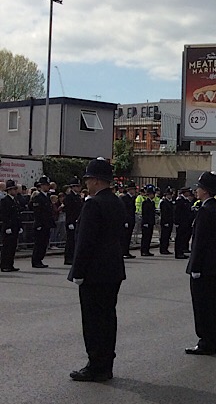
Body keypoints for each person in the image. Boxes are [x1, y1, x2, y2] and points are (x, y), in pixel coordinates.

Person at [68, 157, 127, 382]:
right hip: (112, 269)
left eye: (88, 179)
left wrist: (78, 272)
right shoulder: (116, 201)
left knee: (93, 321)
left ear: (95, 181)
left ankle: (96, 365)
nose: (87, 184)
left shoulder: (93, 204)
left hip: (94, 272)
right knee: (108, 318)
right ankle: (106, 363)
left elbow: (85, 241)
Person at [185, 172, 216, 356]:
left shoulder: (204, 210)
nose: (196, 190)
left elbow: (199, 242)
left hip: (203, 267)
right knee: (212, 306)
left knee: (202, 306)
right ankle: (211, 340)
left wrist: (194, 267)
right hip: (215, 265)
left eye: (199, 187)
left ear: (206, 191)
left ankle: (205, 342)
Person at [30, 175, 55, 268]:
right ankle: (36, 261)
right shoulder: (38, 197)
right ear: (41, 186)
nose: (47, 187)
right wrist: (39, 224)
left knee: (44, 243)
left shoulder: (47, 196)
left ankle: (40, 259)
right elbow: (37, 212)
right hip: (40, 224)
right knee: (39, 244)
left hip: (46, 224)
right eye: (45, 185)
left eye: (48, 185)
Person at [0, 180, 22, 272]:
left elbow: (17, 215)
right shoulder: (4, 201)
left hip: (15, 227)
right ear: (9, 190)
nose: (15, 191)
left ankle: (10, 264)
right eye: (13, 189)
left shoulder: (15, 200)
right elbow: (4, 215)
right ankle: (4, 265)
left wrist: (19, 226)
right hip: (8, 227)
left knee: (13, 247)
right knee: (7, 248)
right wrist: (7, 227)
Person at [64, 177, 83, 265]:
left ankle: (73, 257)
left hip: (77, 221)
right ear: (73, 187)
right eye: (77, 186)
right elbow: (69, 211)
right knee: (70, 241)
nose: (79, 188)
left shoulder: (77, 196)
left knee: (75, 241)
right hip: (71, 221)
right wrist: (70, 222)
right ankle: (68, 258)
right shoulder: (69, 197)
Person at [174, 187, 194, 260]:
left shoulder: (186, 201)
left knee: (183, 238)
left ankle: (181, 252)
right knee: (179, 238)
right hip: (181, 223)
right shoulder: (180, 201)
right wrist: (176, 222)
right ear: (184, 192)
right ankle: (178, 253)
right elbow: (177, 212)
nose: (189, 193)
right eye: (188, 192)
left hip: (186, 223)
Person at [120, 181, 137, 259]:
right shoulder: (124, 198)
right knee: (125, 237)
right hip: (126, 220)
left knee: (129, 237)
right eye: (132, 189)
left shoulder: (133, 198)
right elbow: (124, 210)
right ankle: (123, 252)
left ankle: (127, 251)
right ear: (129, 190)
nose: (134, 191)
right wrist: (125, 221)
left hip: (131, 219)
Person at [140, 185, 156, 256]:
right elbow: (145, 213)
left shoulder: (152, 203)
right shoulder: (145, 203)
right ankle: (143, 250)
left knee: (149, 237)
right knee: (145, 237)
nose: (153, 195)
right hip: (146, 222)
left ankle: (147, 250)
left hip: (151, 222)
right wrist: (145, 222)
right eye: (152, 194)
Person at [159, 187, 175, 255]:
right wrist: (165, 222)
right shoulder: (164, 202)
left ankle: (166, 248)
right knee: (164, 236)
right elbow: (164, 213)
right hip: (165, 222)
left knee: (168, 236)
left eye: (171, 194)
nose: (170, 196)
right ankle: (163, 249)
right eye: (169, 194)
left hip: (170, 221)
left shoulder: (171, 202)